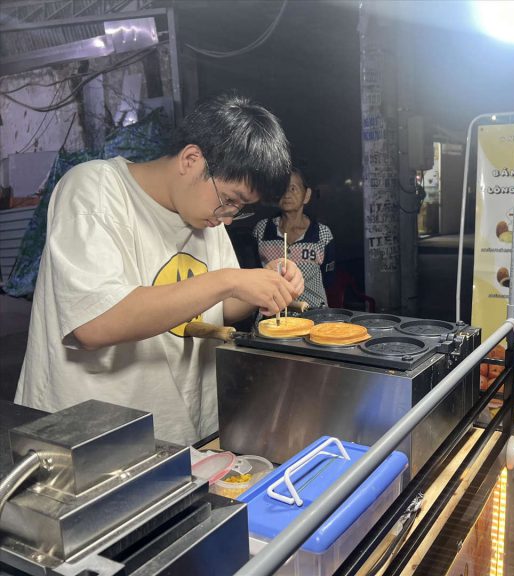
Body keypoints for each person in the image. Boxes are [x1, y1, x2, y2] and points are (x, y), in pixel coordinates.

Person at [14, 92, 304, 446]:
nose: (227, 218)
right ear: (191, 159)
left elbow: (220, 308)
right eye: (230, 200)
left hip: (179, 433)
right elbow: (94, 323)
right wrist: (229, 280)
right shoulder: (95, 190)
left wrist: (263, 284)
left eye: (239, 208)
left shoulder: (205, 217)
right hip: (89, 439)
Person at [251, 167, 335, 309]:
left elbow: (328, 279)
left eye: (293, 188)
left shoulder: (322, 234)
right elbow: (253, 274)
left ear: (306, 195)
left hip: (312, 312)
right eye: (281, 188)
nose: (286, 194)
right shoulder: (262, 230)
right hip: (272, 314)